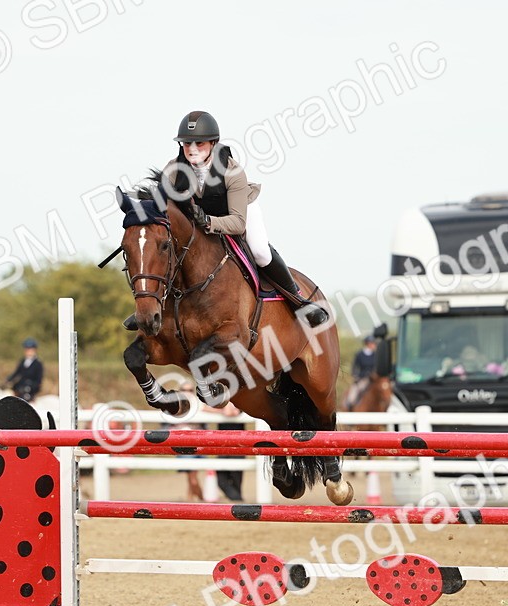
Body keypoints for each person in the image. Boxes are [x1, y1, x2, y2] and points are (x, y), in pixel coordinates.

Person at [124, 110, 329, 330]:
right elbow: (160, 207)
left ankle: (299, 301)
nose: (192, 149)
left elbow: (238, 223)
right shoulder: (173, 170)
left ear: (213, 143)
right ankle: (150, 306)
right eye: (187, 144)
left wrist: (210, 222)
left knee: (260, 252)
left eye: (199, 144)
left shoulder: (232, 172)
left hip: (238, 211)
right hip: (200, 219)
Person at [345, 336, 377, 409]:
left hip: (373, 378)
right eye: (373, 343)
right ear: (368, 344)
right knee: (357, 389)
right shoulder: (359, 355)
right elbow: (355, 366)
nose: (375, 345)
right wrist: (355, 376)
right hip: (362, 378)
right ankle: (350, 404)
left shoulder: (375, 355)